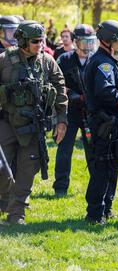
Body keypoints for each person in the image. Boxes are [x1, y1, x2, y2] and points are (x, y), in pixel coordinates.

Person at [0, 20, 68, 224]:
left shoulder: (47, 61)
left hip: (33, 125)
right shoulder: (4, 60)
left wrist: (62, 119)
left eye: (42, 40)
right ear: (22, 41)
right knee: (2, 169)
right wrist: (8, 91)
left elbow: (60, 86)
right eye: (35, 41)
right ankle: (6, 199)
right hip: (7, 122)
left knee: (28, 169)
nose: (40, 45)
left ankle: (16, 214)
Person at [83, 20, 118, 225]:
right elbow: (104, 91)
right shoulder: (103, 63)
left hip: (112, 123)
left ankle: (107, 208)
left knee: (112, 164)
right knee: (102, 167)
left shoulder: (109, 60)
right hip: (103, 123)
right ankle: (95, 213)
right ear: (108, 41)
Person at [52, 24, 97, 197]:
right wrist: (73, 95)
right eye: (84, 42)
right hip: (69, 112)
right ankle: (60, 187)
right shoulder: (64, 59)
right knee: (64, 149)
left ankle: (96, 186)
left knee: (93, 150)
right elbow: (57, 84)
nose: (87, 46)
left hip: (90, 113)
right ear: (76, 41)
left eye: (90, 42)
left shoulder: (96, 59)